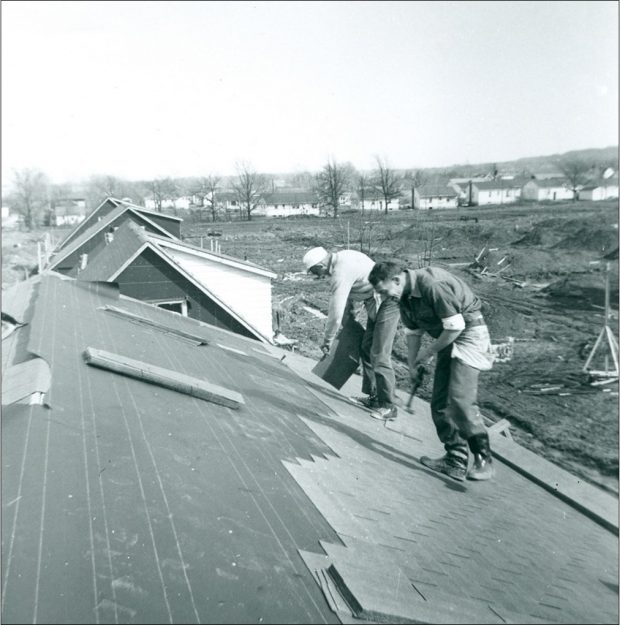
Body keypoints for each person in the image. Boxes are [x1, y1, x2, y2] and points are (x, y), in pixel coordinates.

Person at [368, 261, 495, 481]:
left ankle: (484, 460)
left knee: (459, 398)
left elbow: (456, 325)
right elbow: (413, 333)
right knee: (439, 403)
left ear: (397, 280)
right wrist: (412, 365)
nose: (385, 297)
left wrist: (426, 355)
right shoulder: (404, 297)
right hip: (448, 337)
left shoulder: (431, 284)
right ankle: (455, 459)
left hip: (469, 334)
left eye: (384, 291)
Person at [302, 246, 400, 420]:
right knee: (367, 347)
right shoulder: (344, 256)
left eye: (315, 271)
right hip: (375, 302)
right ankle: (375, 398)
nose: (317, 276)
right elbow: (353, 294)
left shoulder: (340, 272)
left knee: (380, 353)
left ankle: (389, 405)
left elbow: (336, 312)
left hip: (388, 301)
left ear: (322, 264)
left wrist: (328, 340)